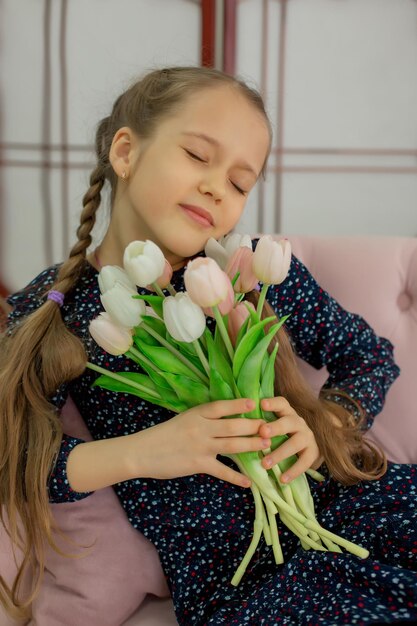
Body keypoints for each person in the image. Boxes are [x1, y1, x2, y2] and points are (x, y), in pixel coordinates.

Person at [0, 66, 416, 625]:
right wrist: (147, 451)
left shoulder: (250, 270)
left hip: (351, 510)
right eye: (198, 155)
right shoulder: (56, 308)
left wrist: (326, 428)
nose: (218, 187)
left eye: (241, 183)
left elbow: (368, 356)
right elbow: (17, 460)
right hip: (241, 580)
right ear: (126, 152)